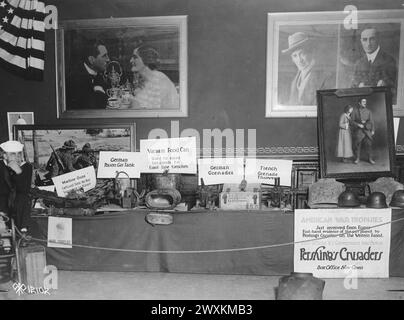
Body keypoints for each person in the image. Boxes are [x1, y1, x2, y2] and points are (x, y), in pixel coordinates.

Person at [282, 32, 333, 105]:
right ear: (292, 59)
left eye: (302, 53)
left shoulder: (324, 77)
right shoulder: (294, 81)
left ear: (311, 52)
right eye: (295, 56)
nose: (299, 60)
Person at [129, 45, 179, 109]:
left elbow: (152, 111)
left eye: (135, 57)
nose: (131, 60)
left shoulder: (159, 80)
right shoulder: (146, 78)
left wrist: (134, 102)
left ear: (146, 60)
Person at [66, 40, 110, 110]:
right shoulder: (75, 79)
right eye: (104, 56)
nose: (108, 59)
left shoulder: (99, 74)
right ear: (91, 59)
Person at [0, 140, 33, 233]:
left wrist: (18, 172)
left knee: (23, 198)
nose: (18, 157)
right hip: (3, 201)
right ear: (5, 155)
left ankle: (23, 231)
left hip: (19, 203)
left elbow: (24, 189)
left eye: (19, 154)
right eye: (13, 154)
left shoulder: (27, 167)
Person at [351, 27, 397, 92]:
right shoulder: (358, 63)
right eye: (365, 40)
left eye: (372, 39)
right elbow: (352, 88)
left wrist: (384, 85)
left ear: (378, 39)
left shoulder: (389, 60)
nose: (368, 44)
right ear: (361, 41)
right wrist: (358, 88)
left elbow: (394, 88)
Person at [351, 98, 375, 164]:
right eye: (363, 101)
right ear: (359, 103)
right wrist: (358, 125)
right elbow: (351, 121)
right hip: (359, 130)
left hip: (367, 130)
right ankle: (357, 158)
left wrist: (372, 130)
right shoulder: (355, 111)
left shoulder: (369, 111)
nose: (365, 103)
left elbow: (372, 121)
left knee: (369, 144)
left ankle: (370, 159)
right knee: (358, 144)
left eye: (365, 101)